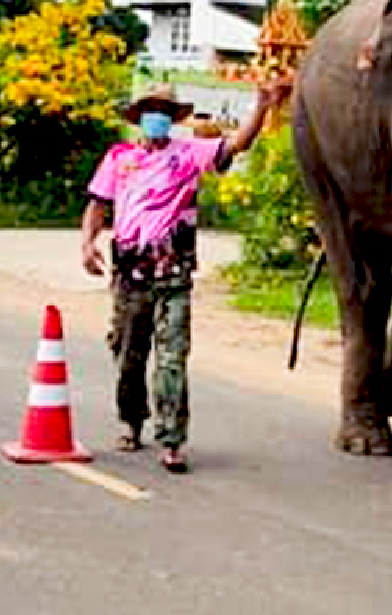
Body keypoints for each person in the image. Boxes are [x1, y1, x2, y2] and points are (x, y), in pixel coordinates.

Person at [80, 78, 290, 471]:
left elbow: (236, 144)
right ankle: (131, 421)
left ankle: (171, 439)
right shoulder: (119, 157)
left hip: (173, 272)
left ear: (173, 119)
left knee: (172, 358)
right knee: (128, 353)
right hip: (130, 273)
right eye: (150, 112)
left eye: (163, 112)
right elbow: (98, 203)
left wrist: (261, 107)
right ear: (140, 117)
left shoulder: (189, 154)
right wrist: (87, 243)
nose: (156, 118)